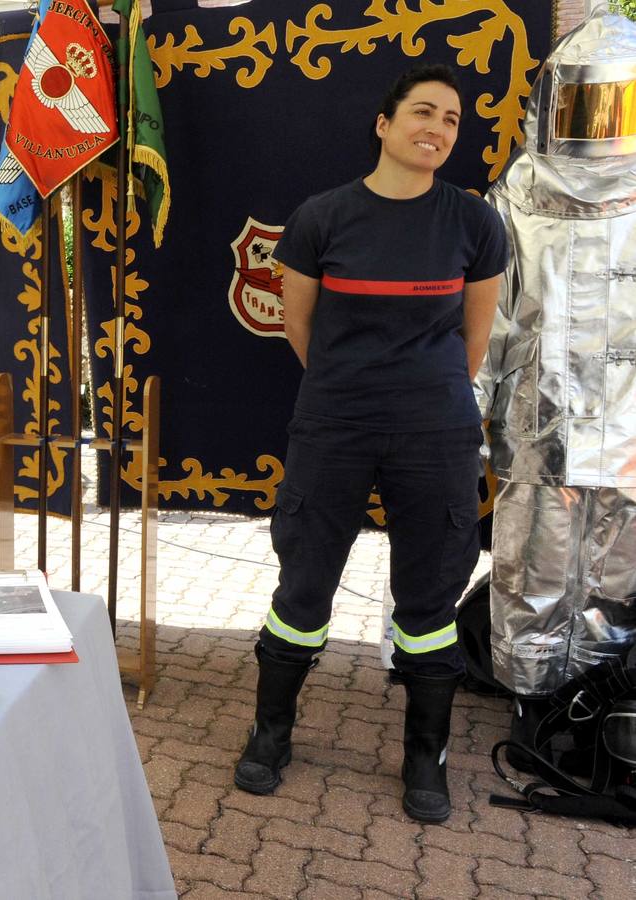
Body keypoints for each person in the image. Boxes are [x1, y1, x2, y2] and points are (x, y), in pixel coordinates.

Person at [232, 64, 508, 824]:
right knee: (303, 590)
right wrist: (351, 392)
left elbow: (473, 342)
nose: (439, 128)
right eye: (424, 112)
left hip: (437, 432)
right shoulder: (323, 218)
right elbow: (301, 330)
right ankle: (271, 733)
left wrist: (420, 397)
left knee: (429, 602)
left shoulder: (475, 224)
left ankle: (427, 757)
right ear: (383, 125)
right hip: (335, 427)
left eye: (452, 119)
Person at [475, 7, 636, 764]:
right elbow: (486, 317)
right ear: (553, 102)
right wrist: (466, 406)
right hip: (541, 427)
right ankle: (532, 700)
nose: (600, 122)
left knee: (616, 571)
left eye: (618, 103)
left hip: (632, 429)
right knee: (531, 564)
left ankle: (603, 707)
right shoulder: (516, 197)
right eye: (585, 102)